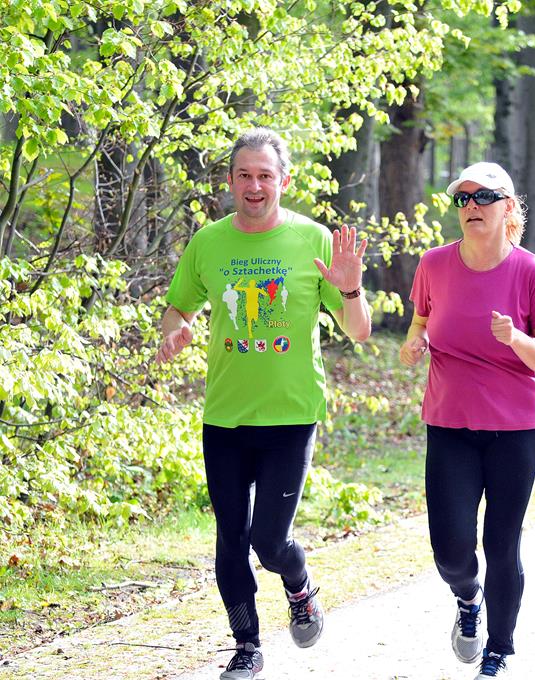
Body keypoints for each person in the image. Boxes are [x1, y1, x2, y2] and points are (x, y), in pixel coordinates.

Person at [156, 128, 372, 680]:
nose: (255, 186)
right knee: (231, 539)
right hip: (226, 417)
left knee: (269, 542)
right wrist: (174, 331)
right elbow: (178, 308)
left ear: (284, 180)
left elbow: (359, 331)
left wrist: (350, 289)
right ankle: (247, 646)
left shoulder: (313, 239)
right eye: (245, 175)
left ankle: (299, 586)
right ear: (230, 181)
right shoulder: (208, 243)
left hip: (290, 416)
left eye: (265, 175)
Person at [399, 161, 535, 679]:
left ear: (508, 207)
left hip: (517, 429)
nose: (471, 206)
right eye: (463, 199)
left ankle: (499, 651)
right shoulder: (434, 264)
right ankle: (468, 597)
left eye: (484, 197)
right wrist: (413, 343)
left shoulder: (532, 272)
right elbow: (420, 322)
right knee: (451, 550)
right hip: (450, 424)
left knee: (501, 543)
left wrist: (516, 338)